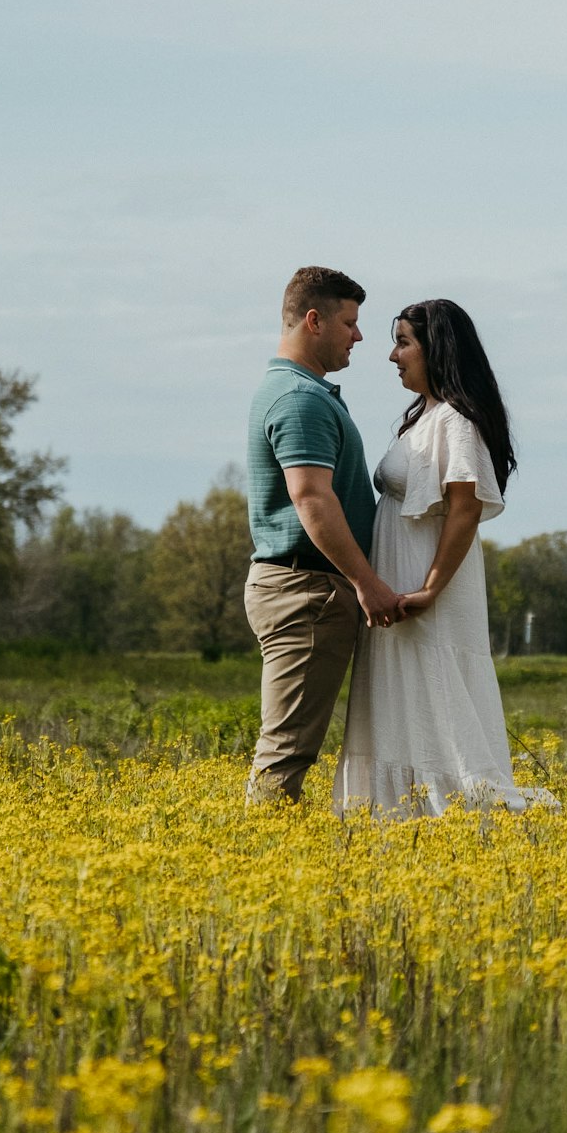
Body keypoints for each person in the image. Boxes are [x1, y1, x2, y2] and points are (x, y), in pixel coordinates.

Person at [334, 298, 561, 817]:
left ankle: (455, 816)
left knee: (433, 694)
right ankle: (404, 817)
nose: (393, 356)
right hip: (401, 584)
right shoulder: (426, 418)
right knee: (402, 700)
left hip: (423, 588)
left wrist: (431, 588)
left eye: (404, 342)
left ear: (437, 350)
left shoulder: (456, 421)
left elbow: (465, 508)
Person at [244, 267, 401, 805]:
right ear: (314, 321)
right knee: (287, 751)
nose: (359, 336)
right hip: (306, 591)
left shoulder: (301, 392)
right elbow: (311, 498)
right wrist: (367, 583)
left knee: (289, 745)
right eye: (350, 322)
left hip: (305, 588)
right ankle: (260, 862)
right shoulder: (300, 399)